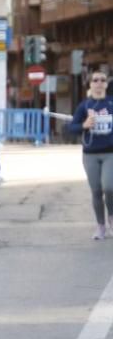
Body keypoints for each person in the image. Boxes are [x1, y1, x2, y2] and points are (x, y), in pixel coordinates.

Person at [66, 70, 113, 240]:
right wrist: (84, 125)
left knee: (109, 187)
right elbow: (71, 128)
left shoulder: (111, 103)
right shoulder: (84, 106)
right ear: (91, 84)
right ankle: (100, 226)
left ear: (106, 84)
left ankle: (111, 218)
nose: (99, 83)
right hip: (90, 154)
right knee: (96, 191)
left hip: (110, 153)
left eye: (102, 80)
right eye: (95, 80)